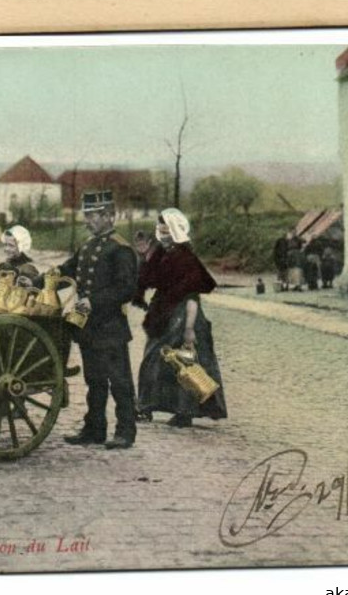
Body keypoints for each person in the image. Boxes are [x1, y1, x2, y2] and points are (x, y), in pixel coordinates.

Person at [61, 191, 139, 450]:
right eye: (86, 216)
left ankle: (125, 431)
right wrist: (38, 281)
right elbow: (65, 270)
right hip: (89, 328)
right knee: (94, 380)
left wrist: (94, 301)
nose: (86, 222)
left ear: (108, 216)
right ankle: (94, 429)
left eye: (91, 216)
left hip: (111, 327)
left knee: (119, 381)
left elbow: (126, 289)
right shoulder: (88, 246)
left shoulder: (121, 248)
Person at [135, 209, 227, 428]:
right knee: (154, 360)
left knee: (184, 363)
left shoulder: (185, 258)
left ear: (175, 231)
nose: (162, 234)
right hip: (163, 313)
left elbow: (192, 296)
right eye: (159, 230)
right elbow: (148, 278)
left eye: (166, 230)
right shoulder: (161, 254)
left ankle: (184, 411)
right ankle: (146, 406)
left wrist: (189, 328)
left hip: (183, 315)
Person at [0, 224, 41, 295]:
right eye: (6, 245)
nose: (6, 249)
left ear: (22, 246)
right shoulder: (2, 267)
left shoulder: (28, 270)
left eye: (11, 245)